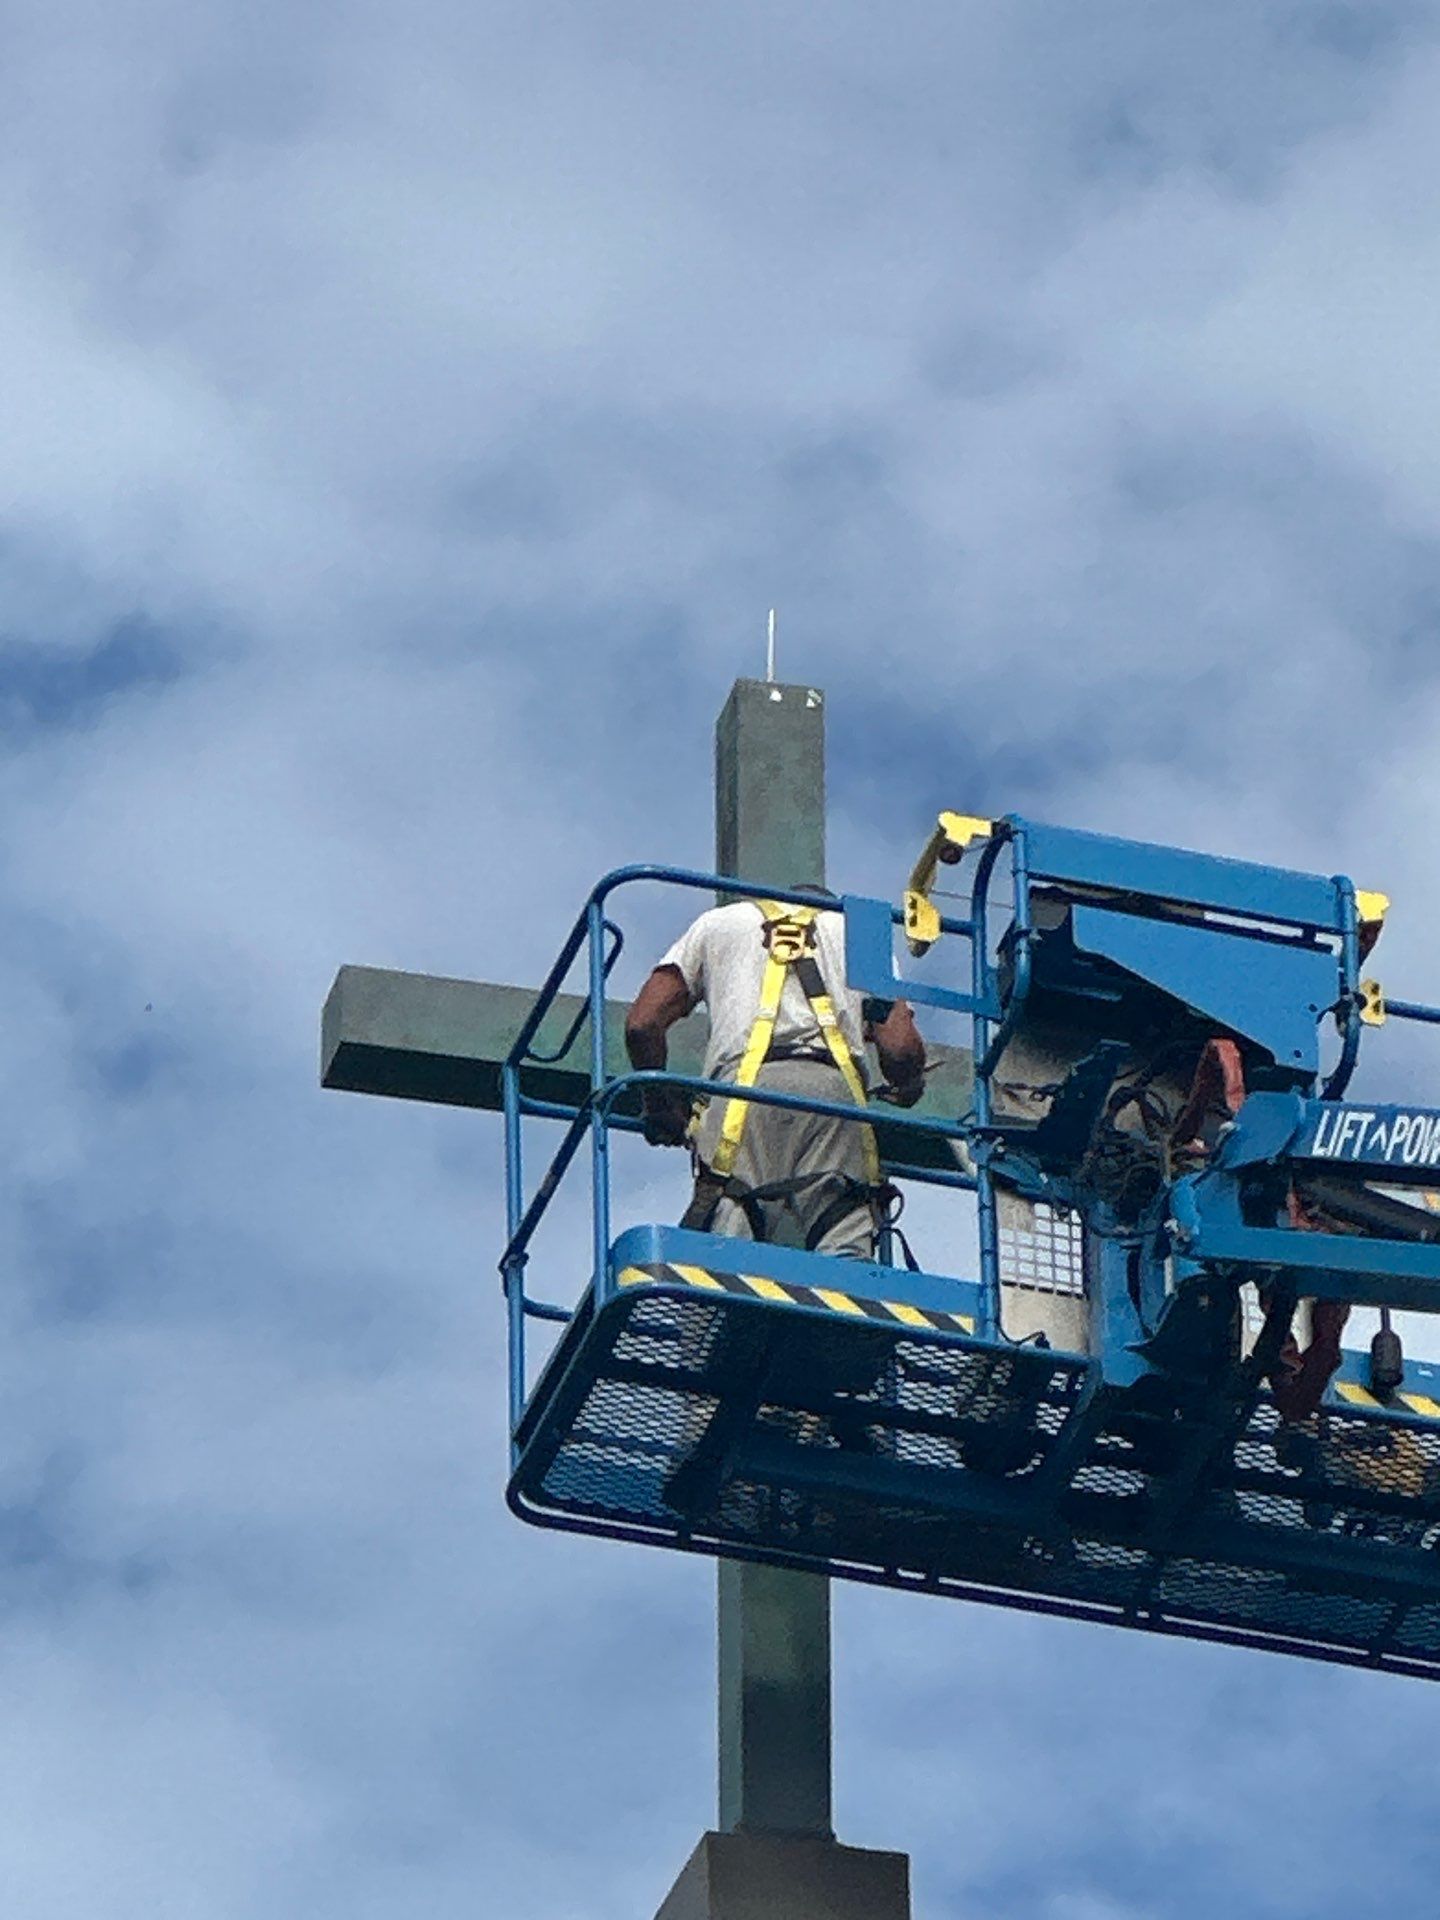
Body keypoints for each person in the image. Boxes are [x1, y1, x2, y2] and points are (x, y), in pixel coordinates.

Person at [625, 890, 925, 1258]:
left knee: (729, 1236)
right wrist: (909, 1085)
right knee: (843, 1240)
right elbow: (901, 1049)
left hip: (741, 1100)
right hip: (834, 1103)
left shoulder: (717, 923)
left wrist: (660, 1108)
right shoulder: (860, 934)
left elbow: (642, 1025)